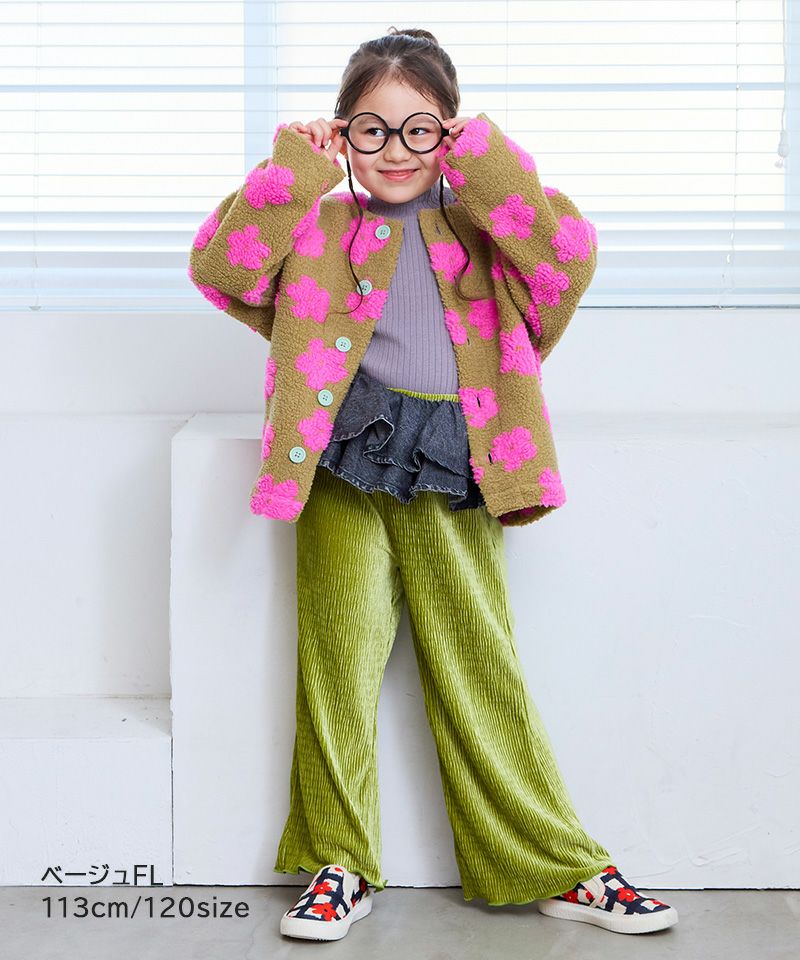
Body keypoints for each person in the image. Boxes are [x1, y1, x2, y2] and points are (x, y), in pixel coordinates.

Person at [188, 26, 679, 943]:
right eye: (370, 130)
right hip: (343, 453)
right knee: (337, 661)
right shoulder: (321, 224)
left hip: (457, 458)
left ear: (450, 131)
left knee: (477, 663)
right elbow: (222, 269)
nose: (395, 151)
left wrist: (482, 161)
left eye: (420, 130)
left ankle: (556, 863)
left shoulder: (482, 222)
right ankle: (338, 865)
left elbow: (566, 259)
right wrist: (295, 171)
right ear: (343, 133)